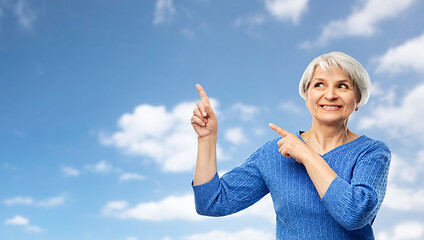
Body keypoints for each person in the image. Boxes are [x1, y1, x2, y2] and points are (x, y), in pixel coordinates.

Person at [190, 52, 391, 239]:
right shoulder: (275, 152)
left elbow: (354, 213)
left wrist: (308, 156)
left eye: (342, 86)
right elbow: (211, 203)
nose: (330, 95)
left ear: (357, 99)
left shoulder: (372, 153)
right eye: (319, 84)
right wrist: (207, 139)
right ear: (306, 96)